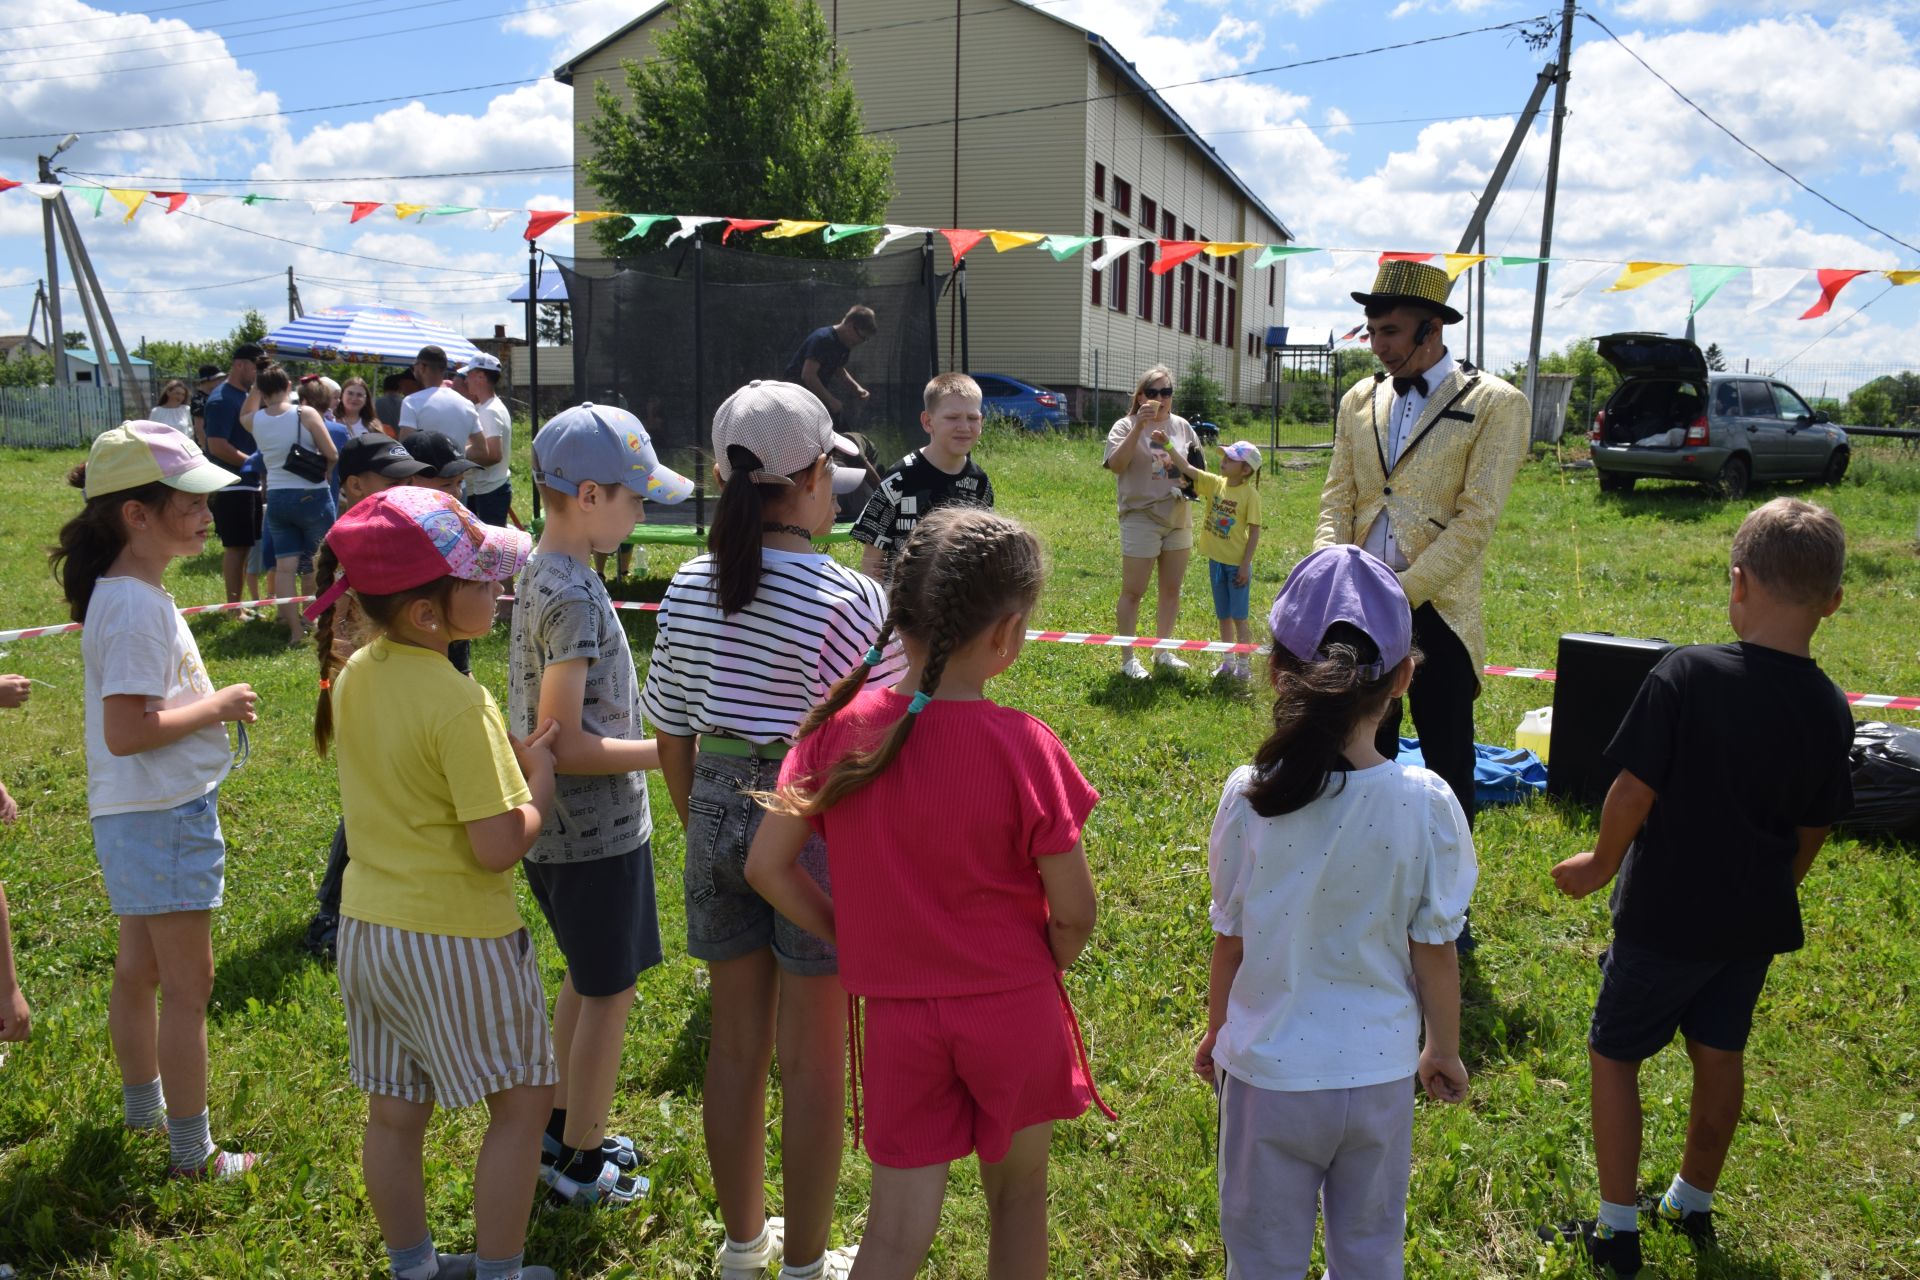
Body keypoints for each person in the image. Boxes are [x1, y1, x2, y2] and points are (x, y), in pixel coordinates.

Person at [746, 506, 1109, 1280]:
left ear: (897, 612)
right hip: (1013, 1004)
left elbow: (766, 868)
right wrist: (1037, 961)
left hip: (898, 1017)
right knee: (1018, 1199)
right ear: (1008, 634)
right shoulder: (1026, 748)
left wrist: (852, 934)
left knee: (895, 1227)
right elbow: (1076, 912)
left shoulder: (838, 731)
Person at [1539, 499, 1852, 1278]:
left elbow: (1632, 791)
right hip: (1752, 926)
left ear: (1737, 583)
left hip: (1661, 920)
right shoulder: (1830, 706)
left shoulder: (1686, 672)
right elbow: (1813, 827)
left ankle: (1618, 1233)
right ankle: (1692, 1201)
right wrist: (1776, 886)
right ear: (1832, 602)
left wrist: (1600, 862)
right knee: (1721, 1055)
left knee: (1614, 1056)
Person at [640, 380, 889, 1280]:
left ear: (721, 475)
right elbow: (885, 733)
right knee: (814, 1060)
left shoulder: (690, 583)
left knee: (735, 1048)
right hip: (811, 824)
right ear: (817, 476)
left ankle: (744, 1247)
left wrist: (699, 816)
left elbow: (670, 725)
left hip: (712, 807)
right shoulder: (853, 597)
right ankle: (808, 1262)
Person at [1195, 545, 1475, 1278]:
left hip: (1267, 1079)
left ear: (1277, 672)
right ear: (1406, 677)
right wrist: (1441, 1051)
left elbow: (1229, 940)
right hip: (1379, 1081)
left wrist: (1218, 1030)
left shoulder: (1247, 796)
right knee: (1371, 1256)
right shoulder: (1427, 803)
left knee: (1261, 1261)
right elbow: (1436, 952)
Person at [311, 486, 562, 1280]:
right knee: (522, 1103)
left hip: (369, 935)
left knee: (393, 1113)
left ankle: (414, 1268)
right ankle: (498, 1272)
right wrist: (537, 786)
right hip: (457, 938)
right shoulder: (460, 701)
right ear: (428, 614)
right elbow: (496, 846)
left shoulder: (353, 675)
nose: (498, 589)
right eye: (483, 579)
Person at [50, 421, 261, 1180]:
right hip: (163, 812)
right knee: (189, 986)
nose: (208, 513)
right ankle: (190, 1152)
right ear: (136, 515)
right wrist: (221, 705)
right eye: (190, 500)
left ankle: (145, 1115)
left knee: (137, 971)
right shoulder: (137, 606)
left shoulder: (127, 592)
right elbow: (129, 730)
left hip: (136, 814)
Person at [506, 403, 694, 1207]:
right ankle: (578, 1160)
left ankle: (560, 1123)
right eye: (636, 497)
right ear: (588, 493)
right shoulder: (577, 596)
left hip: (565, 835)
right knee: (610, 993)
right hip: (596, 835)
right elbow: (571, 744)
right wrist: (668, 752)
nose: (643, 511)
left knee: (587, 980)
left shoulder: (542, 571)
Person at [1314, 260, 1530, 842]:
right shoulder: (1359, 398)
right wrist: (1333, 571)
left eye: (1390, 332)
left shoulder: (1494, 401)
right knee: (1355, 747)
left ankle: (1446, 893)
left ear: (1431, 330)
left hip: (1439, 608)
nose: (1377, 345)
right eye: (1372, 330)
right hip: (1357, 600)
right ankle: (1362, 862)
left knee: (1447, 752)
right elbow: (1338, 495)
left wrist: (1402, 592)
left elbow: (1476, 520)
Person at [300, 436, 433, 961]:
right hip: (376, 698)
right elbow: (354, 643)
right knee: (367, 808)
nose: (409, 489)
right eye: (395, 480)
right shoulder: (361, 559)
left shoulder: (386, 544)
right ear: (355, 486)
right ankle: (331, 913)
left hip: (395, 693)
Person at [1104, 365, 1201, 679]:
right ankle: (1128, 660)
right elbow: (1116, 465)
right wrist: (1138, 427)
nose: (1161, 398)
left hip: (1178, 517)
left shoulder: (1183, 427)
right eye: (1154, 392)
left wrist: (1193, 487)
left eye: (1167, 392)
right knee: (1134, 591)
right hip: (1141, 516)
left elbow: (1198, 470)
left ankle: (1162, 651)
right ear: (1141, 395)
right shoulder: (1125, 425)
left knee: (1171, 590)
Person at [849, 372, 994, 583]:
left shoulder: (979, 482)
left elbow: (984, 549)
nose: (964, 427)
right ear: (928, 422)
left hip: (959, 601)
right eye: (952, 417)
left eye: (972, 418)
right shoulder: (901, 477)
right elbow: (873, 557)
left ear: (981, 422)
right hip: (904, 603)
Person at [243, 365, 339, 648]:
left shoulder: (254, 420)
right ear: (288, 385)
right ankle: (314, 620)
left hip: (277, 496)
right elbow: (331, 452)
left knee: (285, 568)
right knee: (317, 562)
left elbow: (243, 413)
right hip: (312, 495)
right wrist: (328, 470)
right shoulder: (305, 413)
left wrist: (256, 388)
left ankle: (295, 631)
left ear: (261, 390)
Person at [1162, 441, 1263, 680]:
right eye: (1224, 457)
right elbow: (1187, 467)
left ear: (1246, 469)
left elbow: (1255, 532)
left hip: (1236, 566)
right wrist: (1166, 444)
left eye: (1230, 459)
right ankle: (1227, 663)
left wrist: (1245, 565)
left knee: (1239, 618)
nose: (1223, 461)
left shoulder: (1250, 496)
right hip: (1216, 562)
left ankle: (1244, 667)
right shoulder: (1216, 483)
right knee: (1223, 616)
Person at [400, 431, 485, 675]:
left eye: (459, 483)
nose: (456, 493)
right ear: (409, 481)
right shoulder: (399, 535)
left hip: (451, 633)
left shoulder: (455, 525)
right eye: (446, 484)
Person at [201, 342, 266, 613]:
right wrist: (254, 464)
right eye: (256, 367)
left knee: (247, 546)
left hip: (248, 483)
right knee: (236, 547)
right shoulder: (221, 399)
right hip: (230, 485)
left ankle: (239, 604)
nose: (259, 373)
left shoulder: (244, 397)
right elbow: (216, 445)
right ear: (240, 364)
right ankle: (232, 607)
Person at [783, 306, 876, 425]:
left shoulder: (844, 344)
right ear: (850, 326)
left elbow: (838, 368)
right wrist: (830, 401)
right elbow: (808, 375)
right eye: (862, 337)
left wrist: (856, 388)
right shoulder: (823, 339)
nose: (861, 342)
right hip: (795, 396)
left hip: (813, 396)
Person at [460, 353, 514, 526]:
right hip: (492, 488)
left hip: (491, 490)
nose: (466, 380)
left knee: (490, 549)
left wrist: (459, 453)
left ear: (481, 377)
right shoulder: (489, 407)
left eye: (469, 375)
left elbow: (493, 455)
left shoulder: (489, 411)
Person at [399, 346, 481, 444]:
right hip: (458, 459)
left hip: (421, 459)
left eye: (414, 366)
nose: (414, 370)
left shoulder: (412, 402)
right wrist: (455, 452)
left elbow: (405, 447)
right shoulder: (467, 404)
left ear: (422, 367)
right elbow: (482, 451)